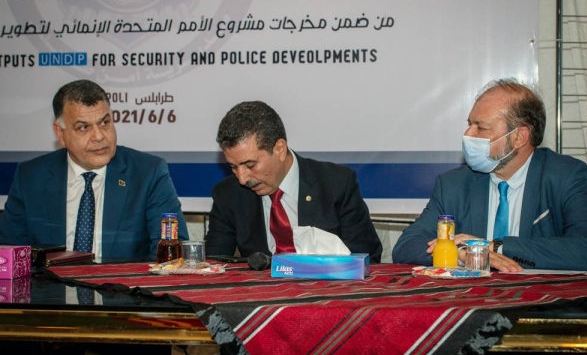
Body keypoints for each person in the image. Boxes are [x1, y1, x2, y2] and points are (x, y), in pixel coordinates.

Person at [392, 78, 587, 272]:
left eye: (481, 128)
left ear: (520, 137)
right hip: (473, 303)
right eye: (469, 124)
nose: (468, 135)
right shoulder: (453, 185)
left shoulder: (563, 176)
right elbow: (406, 246)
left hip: (538, 303)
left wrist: (494, 247)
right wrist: (461, 255)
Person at [0, 79, 188, 261]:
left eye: (105, 123)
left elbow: (172, 256)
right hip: (51, 291)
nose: (99, 136)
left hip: (124, 290)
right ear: (60, 133)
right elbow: (9, 256)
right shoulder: (31, 177)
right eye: (84, 127)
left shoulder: (148, 173)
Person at [205, 101, 383, 262]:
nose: (242, 178)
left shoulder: (336, 184)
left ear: (280, 150)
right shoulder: (228, 194)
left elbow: (368, 259)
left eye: (250, 165)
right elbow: (213, 264)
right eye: (233, 167)